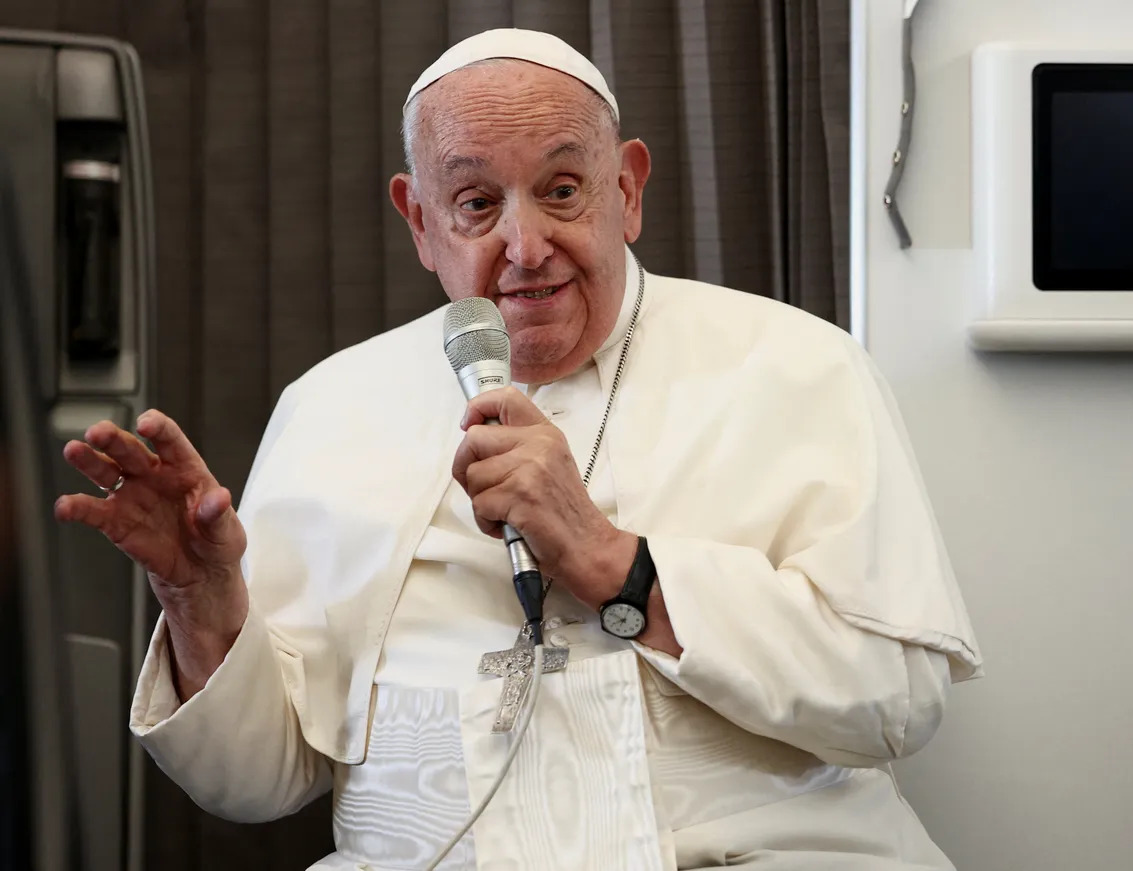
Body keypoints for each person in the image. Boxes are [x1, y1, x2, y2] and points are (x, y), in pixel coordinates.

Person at [54, 28, 982, 871]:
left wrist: (617, 566)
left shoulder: (798, 365)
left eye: (563, 190)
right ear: (418, 220)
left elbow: (896, 700)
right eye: (475, 203)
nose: (526, 245)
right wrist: (200, 602)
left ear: (627, 190)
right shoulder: (331, 404)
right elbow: (256, 780)